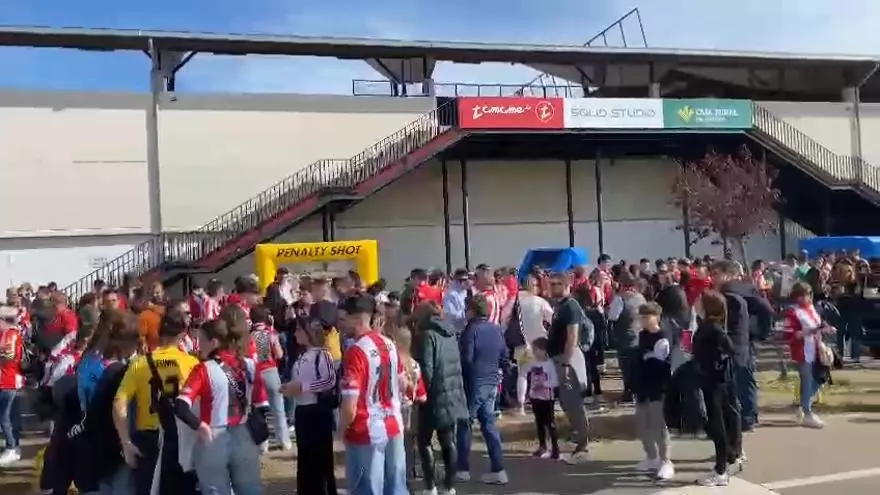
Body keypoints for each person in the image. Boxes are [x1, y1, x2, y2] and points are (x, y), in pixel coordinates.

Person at [113, 302, 199, 495]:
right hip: (181, 438)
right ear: (182, 335)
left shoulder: (139, 363)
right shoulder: (192, 364)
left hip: (149, 438)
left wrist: (126, 443)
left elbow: (119, 403)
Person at [175, 317, 264, 495]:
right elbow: (261, 405)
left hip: (213, 438)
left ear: (214, 342)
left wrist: (199, 426)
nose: (198, 346)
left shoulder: (203, 369)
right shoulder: (250, 365)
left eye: (202, 341)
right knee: (250, 490)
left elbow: (180, 406)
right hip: (245, 435)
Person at [338, 293, 408, 495]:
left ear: (357, 318)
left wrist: (342, 428)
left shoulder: (356, 351)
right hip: (393, 423)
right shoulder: (389, 343)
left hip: (365, 429)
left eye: (344, 319)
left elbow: (350, 404)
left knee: (366, 488)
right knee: (396, 486)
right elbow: (404, 383)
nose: (341, 325)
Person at [78, 309, 141, 495]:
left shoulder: (88, 359)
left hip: (93, 434)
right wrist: (126, 442)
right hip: (114, 439)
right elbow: (120, 407)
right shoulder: (119, 371)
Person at [410, 301, 466, 494]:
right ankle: (450, 487)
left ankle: (430, 486)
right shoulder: (450, 334)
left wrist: (419, 393)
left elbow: (426, 369)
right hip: (452, 393)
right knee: (448, 442)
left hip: (432, 396)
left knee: (424, 441)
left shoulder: (427, 336)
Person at [691, 291, 743, 487]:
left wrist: (715, 359)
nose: (694, 302)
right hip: (709, 379)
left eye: (698, 300)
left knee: (716, 425)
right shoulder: (705, 325)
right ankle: (729, 457)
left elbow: (731, 349)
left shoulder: (713, 328)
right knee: (713, 424)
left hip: (715, 382)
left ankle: (721, 471)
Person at [456, 295, 508, 485]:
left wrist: (465, 379)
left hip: (474, 383)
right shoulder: (495, 329)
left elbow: (467, 358)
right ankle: (498, 468)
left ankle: (462, 468)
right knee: (488, 424)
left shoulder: (471, 330)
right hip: (492, 381)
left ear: (472, 310)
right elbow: (504, 356)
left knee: (465, 423)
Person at [283, 318, 338, 495]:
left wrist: (303, 387)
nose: (295, 333)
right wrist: (289, 388)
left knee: (320, 460)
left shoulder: (322, 354)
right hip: (302, 411)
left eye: (299, 330)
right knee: (305, 458)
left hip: (317, 411)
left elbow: (330, 380)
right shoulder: (300, 357)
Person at [546, 271, 591, 464]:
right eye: (551, 284)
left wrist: (565, 362)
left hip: (568, 360)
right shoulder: (561, 306)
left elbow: (572, 337)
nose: (552, 287)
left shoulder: (570, 306)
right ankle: (577, 438)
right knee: (566, 401)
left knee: (573, 403)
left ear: (566, 286)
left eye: (556, 284)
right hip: (559, 359)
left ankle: (583, 446)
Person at [782, 281, 836, 429]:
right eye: (804, 295)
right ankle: (807, 412)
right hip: (802, 351)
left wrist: (827, 328)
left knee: (820, 378)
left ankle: (803, 404)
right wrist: (809, 332)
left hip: (817, 349)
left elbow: (819, 323)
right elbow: (789, 334)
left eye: (809, 294)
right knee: (807, 379)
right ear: (797, 297)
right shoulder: (793, 312)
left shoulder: (812, 308)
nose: (808, 298)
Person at [500, 273, 553, 416]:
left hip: (521, 342)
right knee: (544, 372)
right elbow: (551, 319)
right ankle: (545, 400)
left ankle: (521, 405)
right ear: (535, 286)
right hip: (540, 342)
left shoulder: (515, 299)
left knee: (522, 374)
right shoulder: (540, 302)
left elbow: (504, 317)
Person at [632, 302, 674, 481]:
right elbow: (642, 359)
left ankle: (666, 461)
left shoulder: (664, 336)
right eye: (641, 317)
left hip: (658, 387)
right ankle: (651, 457)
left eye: (646, 317)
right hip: (642, 385)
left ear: (656, 317)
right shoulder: (642, 335)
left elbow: (659, 362)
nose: (643, 320)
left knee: (659, 426)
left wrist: (648, 357)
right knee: (642, 424)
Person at [250, 306, 291, 451]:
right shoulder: (271, 333)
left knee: (260, 410)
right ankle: (284, 441)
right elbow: (279, 354)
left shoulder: (249, 336)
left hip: (256, 373)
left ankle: (263, 444)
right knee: (278, 408)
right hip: (271, 371)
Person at [523, 337, 559, 459]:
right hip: (535, 397)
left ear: (544, 350)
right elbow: (526, 374)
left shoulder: (550, 364)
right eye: (533, 350)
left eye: (536, 350)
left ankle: (555, 449)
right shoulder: (533, 363)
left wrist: (545, 384)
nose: (534, 352)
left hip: (547, 398)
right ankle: (542, 446)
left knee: (550, 423)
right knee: (539, 422)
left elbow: (555, 381)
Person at [0, 305, 24, 466]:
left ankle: (11, 447)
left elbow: (8, 356)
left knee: (4, 417)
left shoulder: (10, 336)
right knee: (11, 416)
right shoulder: (11, 334)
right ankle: (14, 447)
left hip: (7, 379)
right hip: (10, 379)